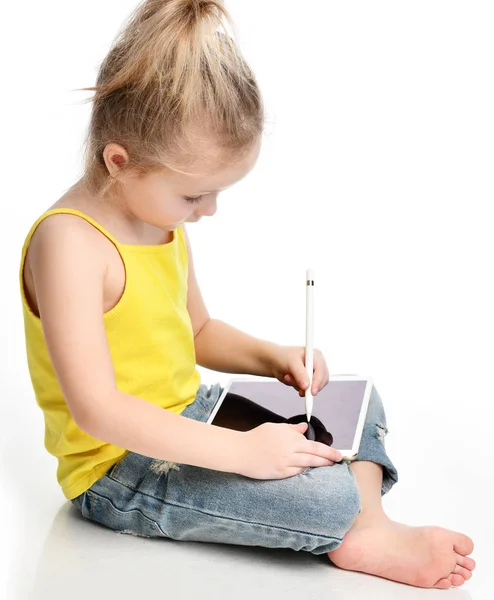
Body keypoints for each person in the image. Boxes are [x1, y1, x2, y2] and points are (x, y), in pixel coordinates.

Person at [19, 0, 475, 589]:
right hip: (120, 469)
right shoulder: (69, 245)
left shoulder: (158, 218)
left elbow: (199, 331)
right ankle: (351, 519)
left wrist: (274, 359)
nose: (208, 211)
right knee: (324, 493)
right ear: (120, 161)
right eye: (195, 196)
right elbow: (98, 410)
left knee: (357, 404)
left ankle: (366, 525)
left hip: (192, 412)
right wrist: (244, 454)